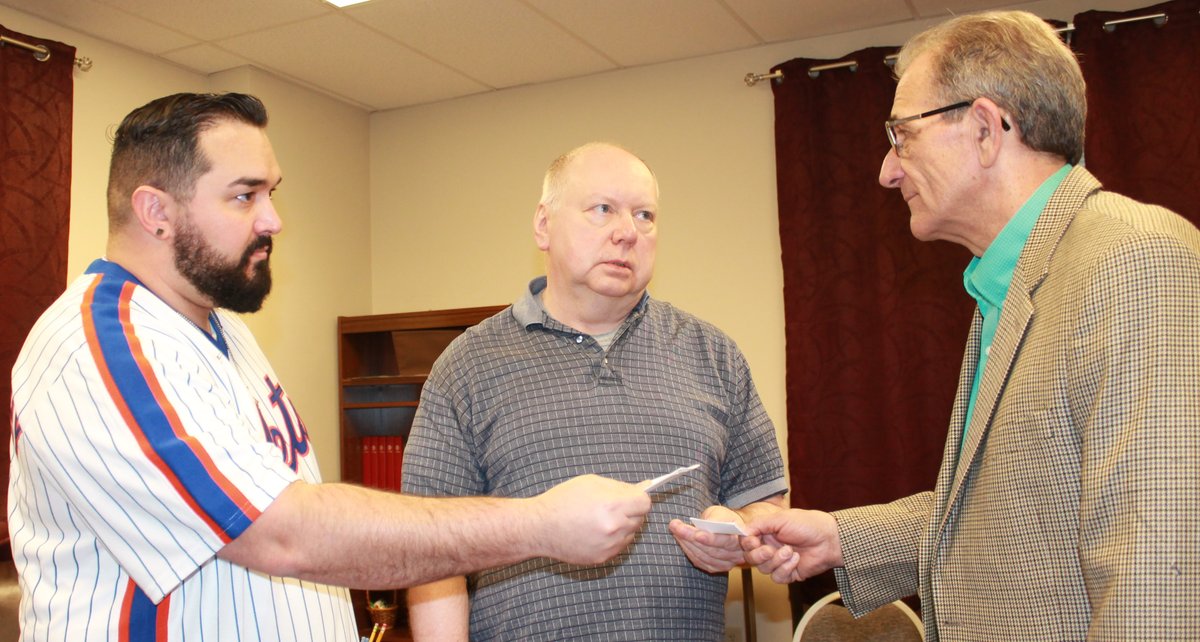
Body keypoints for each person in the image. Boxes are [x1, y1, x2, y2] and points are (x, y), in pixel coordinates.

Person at [6, 93, 654, 641]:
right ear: (155, 212)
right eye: (243, 196)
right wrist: (538, 523)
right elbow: (285, 536)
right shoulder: (103, 345)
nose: (273, 220)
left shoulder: (220, 330)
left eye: (272, 192)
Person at [742, 10, 1200, 641]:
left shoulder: (1133, 258)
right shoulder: (1005, 285)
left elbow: (1160, 568)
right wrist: (838, 538)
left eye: (902, 136)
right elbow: (999, 514)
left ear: (985, 128)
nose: (887, 169)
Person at [400, 142, 787, 641]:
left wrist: (738, 531)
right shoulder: (467, 366)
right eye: (602, 209)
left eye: (645, 215)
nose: (627, 232)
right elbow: (431, 550)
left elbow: (768, 508)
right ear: (544, 224)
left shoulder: (713, 355)